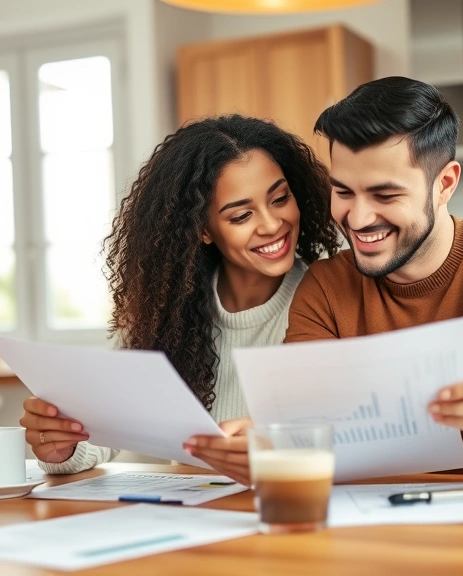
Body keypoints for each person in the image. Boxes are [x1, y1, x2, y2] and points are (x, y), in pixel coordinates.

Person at [187, 77, 463, 485]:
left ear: (445, 184)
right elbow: (301, 435)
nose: (357, 219)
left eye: (385, 194)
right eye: (343, 192)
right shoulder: (326, 286)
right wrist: (266, 448)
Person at [19, 115, 340, 483]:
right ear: (203, 229)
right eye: (241, 215)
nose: (271, 224)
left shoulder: (326, 299)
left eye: (280, 198)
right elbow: (106, 423)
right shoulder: (171, 313)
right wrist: (64, 446)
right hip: (195, 520)